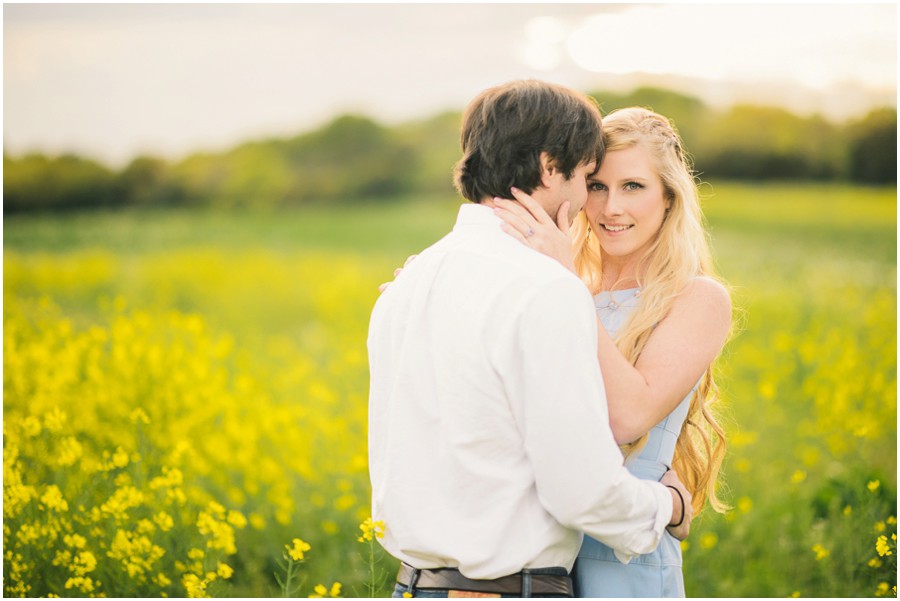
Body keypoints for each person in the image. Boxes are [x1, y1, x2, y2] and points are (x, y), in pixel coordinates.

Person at [367, 80, 693, 599]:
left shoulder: (405, 283)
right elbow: (581, 493)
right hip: (508, 588)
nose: (593, 200)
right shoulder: (547, 288)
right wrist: (668, 507)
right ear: (548, 168)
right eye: (589, 177)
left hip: (414, 585)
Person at [492, 106, 732, 597]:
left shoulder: (696, 298)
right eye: (597, 186)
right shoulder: (561, 284)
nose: (610, 208)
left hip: (622, 559)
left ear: (669, 197)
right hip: (532, 552)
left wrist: (564, 286)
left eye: (633, 187)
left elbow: (628, 416)